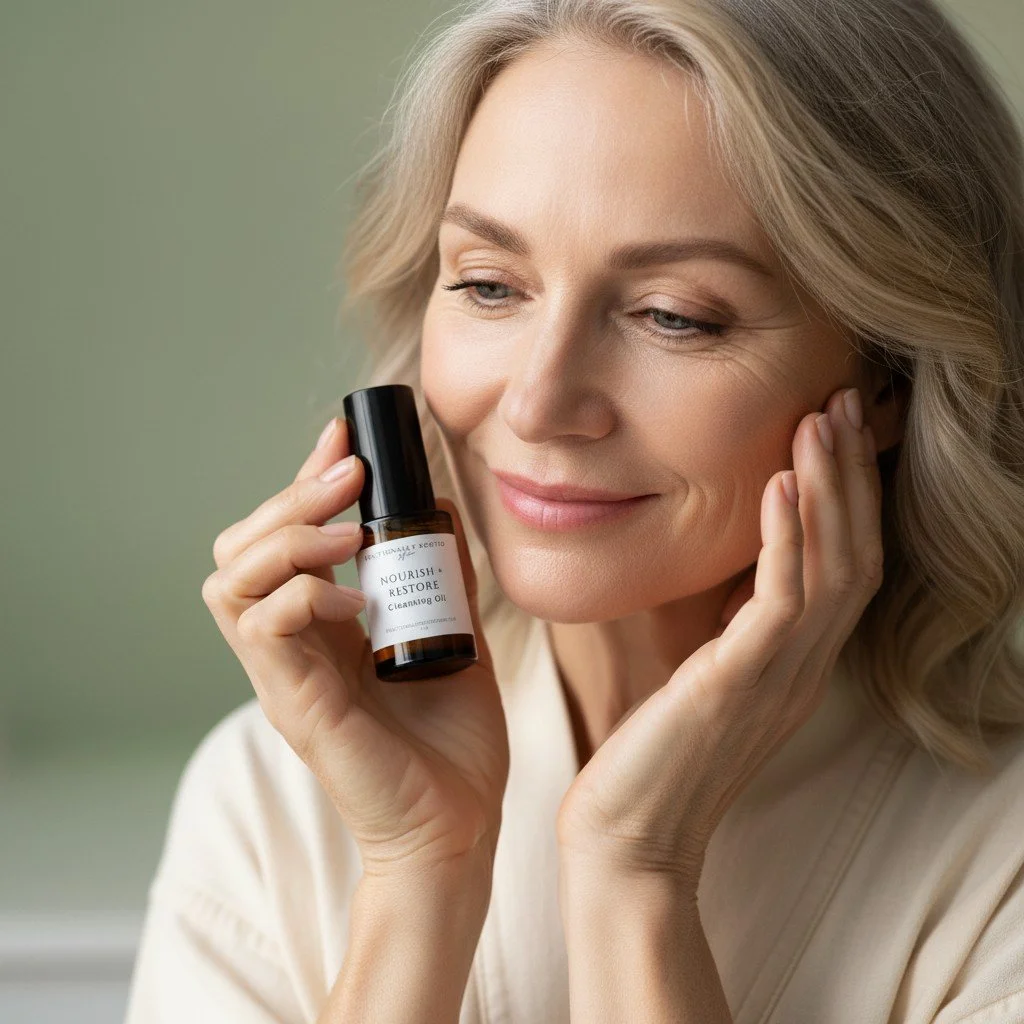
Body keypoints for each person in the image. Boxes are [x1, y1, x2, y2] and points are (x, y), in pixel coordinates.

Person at [124, 0, 1024, 1020]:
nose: (536, 402)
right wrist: (419, 867)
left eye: (672, 314)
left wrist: (636, 869)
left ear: (889, 381)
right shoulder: (271, 803)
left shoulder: (1003, 853)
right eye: (489, 285)